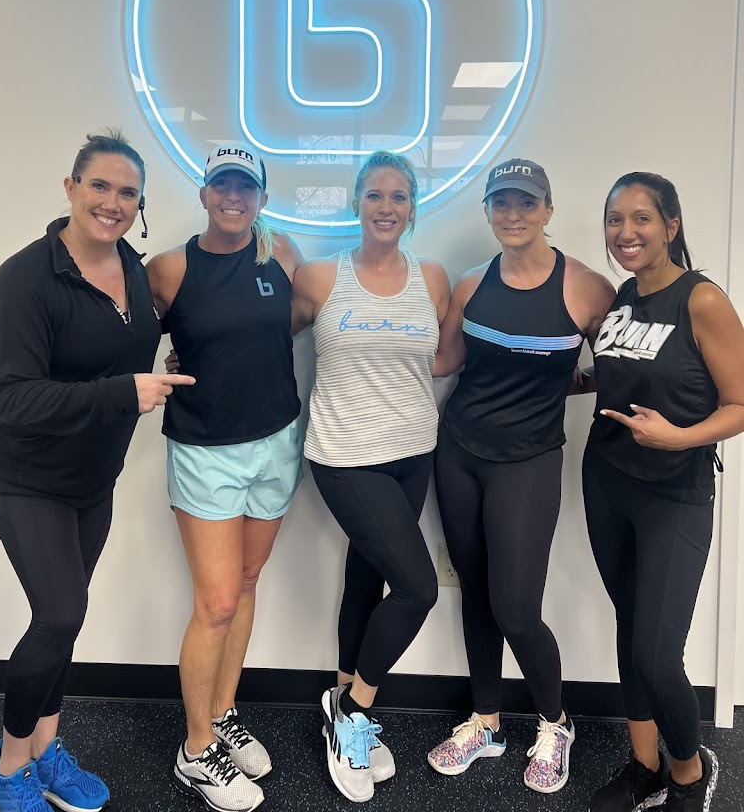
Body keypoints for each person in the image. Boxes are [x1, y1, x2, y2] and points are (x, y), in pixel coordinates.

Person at [0, 131, 191, 812]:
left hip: (92, 475)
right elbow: (13, 398)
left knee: (67, 618)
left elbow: (124, 338)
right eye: (99, 185)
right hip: (24, 473)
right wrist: (122, 392)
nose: (112, 202)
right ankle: (7, 766)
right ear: (70, 188)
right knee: (59, 612)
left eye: (128, 193)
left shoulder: (132, 267)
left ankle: (45, 750)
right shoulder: (25, 279)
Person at [426, 158, 615, 794]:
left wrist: (577, 384)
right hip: (459, 453)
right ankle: (485, 720)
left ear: (548, 211)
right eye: (502, 202)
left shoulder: (586, 289)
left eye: (526, 203)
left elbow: (624, 366)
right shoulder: (471, 284)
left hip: (528, 462)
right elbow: (443, 361)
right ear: (487, 210)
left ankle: (555, 723)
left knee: (515, 606)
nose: (513, 214)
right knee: (476, 593)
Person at [147, 143, 304, 812]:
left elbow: (290, 325)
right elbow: (125, 340)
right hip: (205, 450)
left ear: (261, 197)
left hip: (276, 441)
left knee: (244, 583)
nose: (233, 197)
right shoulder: (169, 269)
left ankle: (222, 712)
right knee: (214, 604)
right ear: (204, 193)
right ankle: (195, 748)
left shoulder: (282, 254)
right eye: (222, 185)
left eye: (245, 186)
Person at [293, 150, 451, 804]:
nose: (387, 207)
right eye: (375, 195)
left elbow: (444, 357)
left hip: (413, 450)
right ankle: (352, 715)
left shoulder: (432, 277)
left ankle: (342, 694)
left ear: (413, 208)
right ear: (356, 202)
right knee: (418, 589)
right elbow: (261, 338)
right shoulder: (319, 277)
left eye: (399, 196)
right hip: (344, 453)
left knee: (370, 576)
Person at [584, 172, 744, 812]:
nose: (626, 232)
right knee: (631, 632)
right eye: (614, 220)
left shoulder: (701, 300)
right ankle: (644, 764)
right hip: (607, 482)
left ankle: (688, 771)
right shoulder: (623, 297)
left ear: (671, 226)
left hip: (674, 495)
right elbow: (627, 374)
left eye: (641, 218)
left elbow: (740, 403)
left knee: (656, 652)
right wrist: (572, 379)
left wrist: (679, 438)